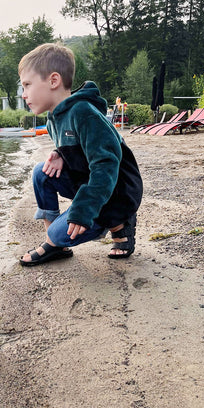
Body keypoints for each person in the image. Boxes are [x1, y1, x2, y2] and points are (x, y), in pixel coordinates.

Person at [18, 43, 143, 267]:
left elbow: (105, 164)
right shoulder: (54, 118)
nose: (24, 94)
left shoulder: (83, 113)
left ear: (53, 81)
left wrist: (83, 210)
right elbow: (77, 147)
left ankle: (118, 222)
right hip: (90, 183)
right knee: (41, 172)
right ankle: (56, 245)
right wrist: (58, 153)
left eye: (27, 85)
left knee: (60, 233)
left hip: (117, 192)